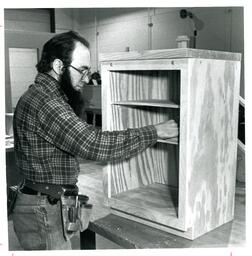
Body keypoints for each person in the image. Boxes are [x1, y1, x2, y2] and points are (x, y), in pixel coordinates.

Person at [12, 31, 178, 250]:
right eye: (81, 70)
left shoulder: (44, 96)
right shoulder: (46, 102)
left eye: (88, 71)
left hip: (47, 202)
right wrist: (155, 131)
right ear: (59, 66)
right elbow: (94, 144)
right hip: (43, 208)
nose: (87, 78)